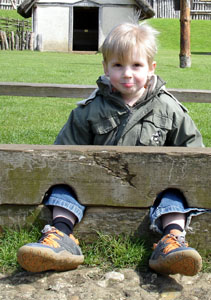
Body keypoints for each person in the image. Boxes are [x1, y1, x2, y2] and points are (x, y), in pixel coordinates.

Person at [17, 22, 206, 276]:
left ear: (151, 69)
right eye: (118, 65)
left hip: (153, 195)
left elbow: (195, 156)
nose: (127, 74)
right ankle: (61, 235)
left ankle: (171, 242)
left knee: (174, 197)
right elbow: (62, 156)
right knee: (63, 189)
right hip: (94, 191)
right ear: (106, 68)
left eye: (136, 65)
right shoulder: (89, 110)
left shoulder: (169, 109)